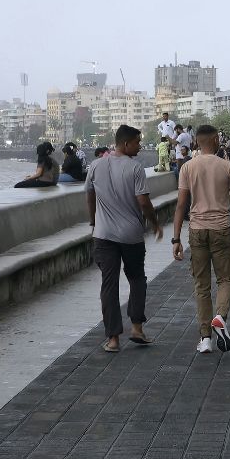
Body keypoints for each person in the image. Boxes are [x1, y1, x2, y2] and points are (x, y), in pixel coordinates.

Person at [172, 125, 230, 354]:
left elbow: (181, 205)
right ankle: (220, 316)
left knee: (201, 285)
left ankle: (205, 338)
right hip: (220, 229)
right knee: (226, 278)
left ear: (196, 143)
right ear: (217, 140)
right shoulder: (227, 167)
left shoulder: (187, 167)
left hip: (196, 230)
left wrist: (176, 239)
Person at [85, 124, 163, 352]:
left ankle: (113, 339)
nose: (139, 146)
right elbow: (143, 202)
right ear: (126, 144)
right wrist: (155, 223)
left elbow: (90, 196)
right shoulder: (135, 168)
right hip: (131, 235)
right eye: (137, 142)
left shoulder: (95, 165)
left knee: (109, 285)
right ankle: (137, 328)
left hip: (104, 234)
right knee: (137, 278)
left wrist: (93, 221)